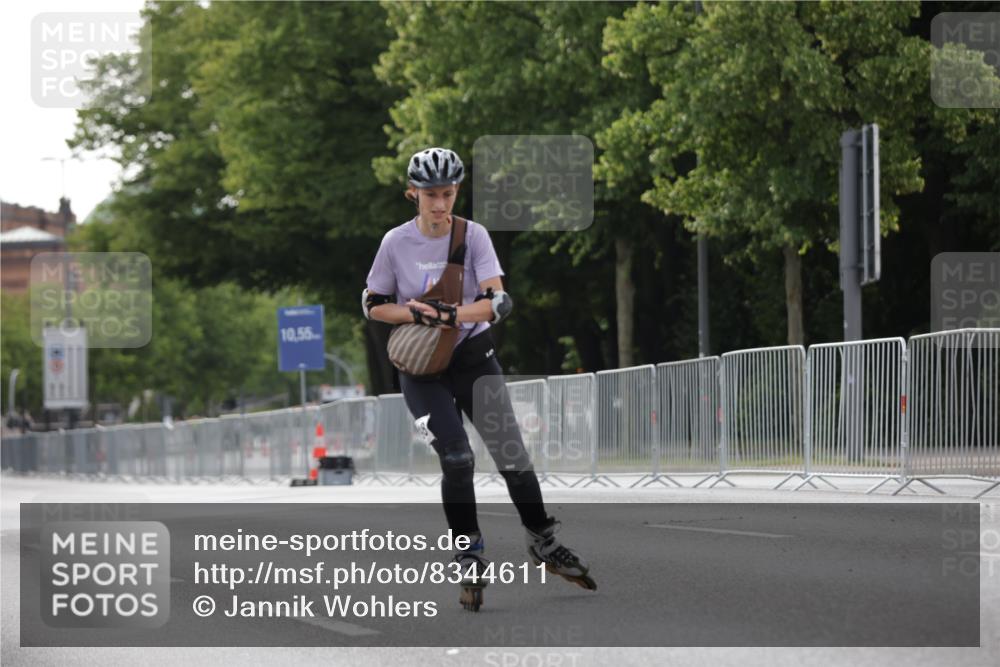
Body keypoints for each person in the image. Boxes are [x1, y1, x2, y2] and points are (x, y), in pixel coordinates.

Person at [363, 147, 595, 610]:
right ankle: (469, 552)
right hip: (422, 370)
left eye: (447, 194)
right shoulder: (395, 243)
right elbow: (373, 304)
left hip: (473, 356)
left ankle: (543, 540)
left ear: (456, 192)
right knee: (456, 457)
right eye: (430, 195)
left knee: (512, 454)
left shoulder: (474, 236)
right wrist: (415, 313)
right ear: (413, 194)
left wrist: (450, 314)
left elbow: (498, 303)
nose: (440, 204)